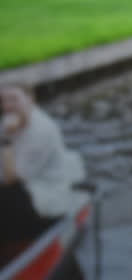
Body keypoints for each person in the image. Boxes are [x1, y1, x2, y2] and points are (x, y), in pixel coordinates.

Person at [0, 86, 86, 268]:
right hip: (24, 190)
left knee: (6, 195)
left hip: (45, 199)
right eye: (4, 100)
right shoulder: (8, 123)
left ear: (30, 99)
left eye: (14, 99)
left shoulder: (42, 130)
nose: (8, 105)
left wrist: (6, 140)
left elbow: (11, 178)